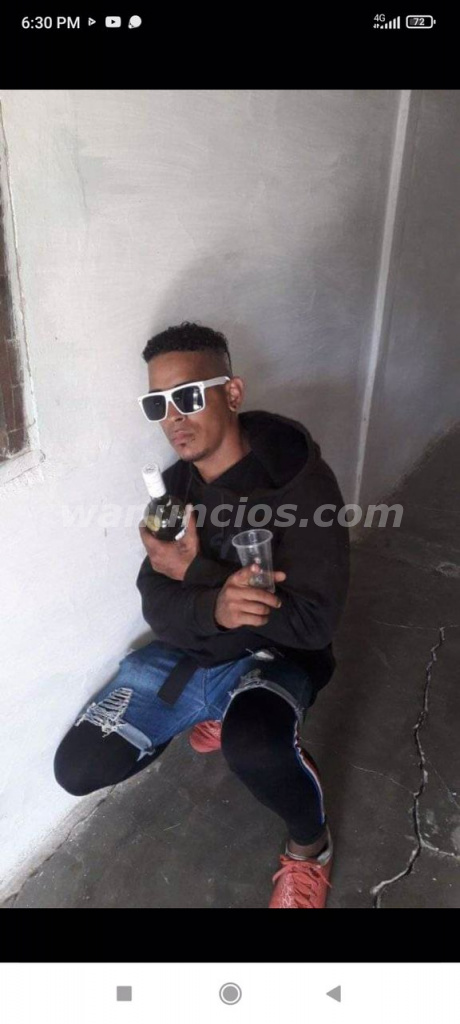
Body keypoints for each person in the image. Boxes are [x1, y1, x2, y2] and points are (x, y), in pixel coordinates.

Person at [54, 321, 350, 909]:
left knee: (255, 745)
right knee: (78, 767)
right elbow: (155, 601)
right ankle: (211, 706)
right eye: (157, 404)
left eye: (188, 396)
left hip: (278, 657)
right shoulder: (171, 494)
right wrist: (213, 602)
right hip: (194, 653)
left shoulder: (302, 486)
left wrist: (196, 574)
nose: (173, 417)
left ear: (231, 393)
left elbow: (313, 625)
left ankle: (309, 848)